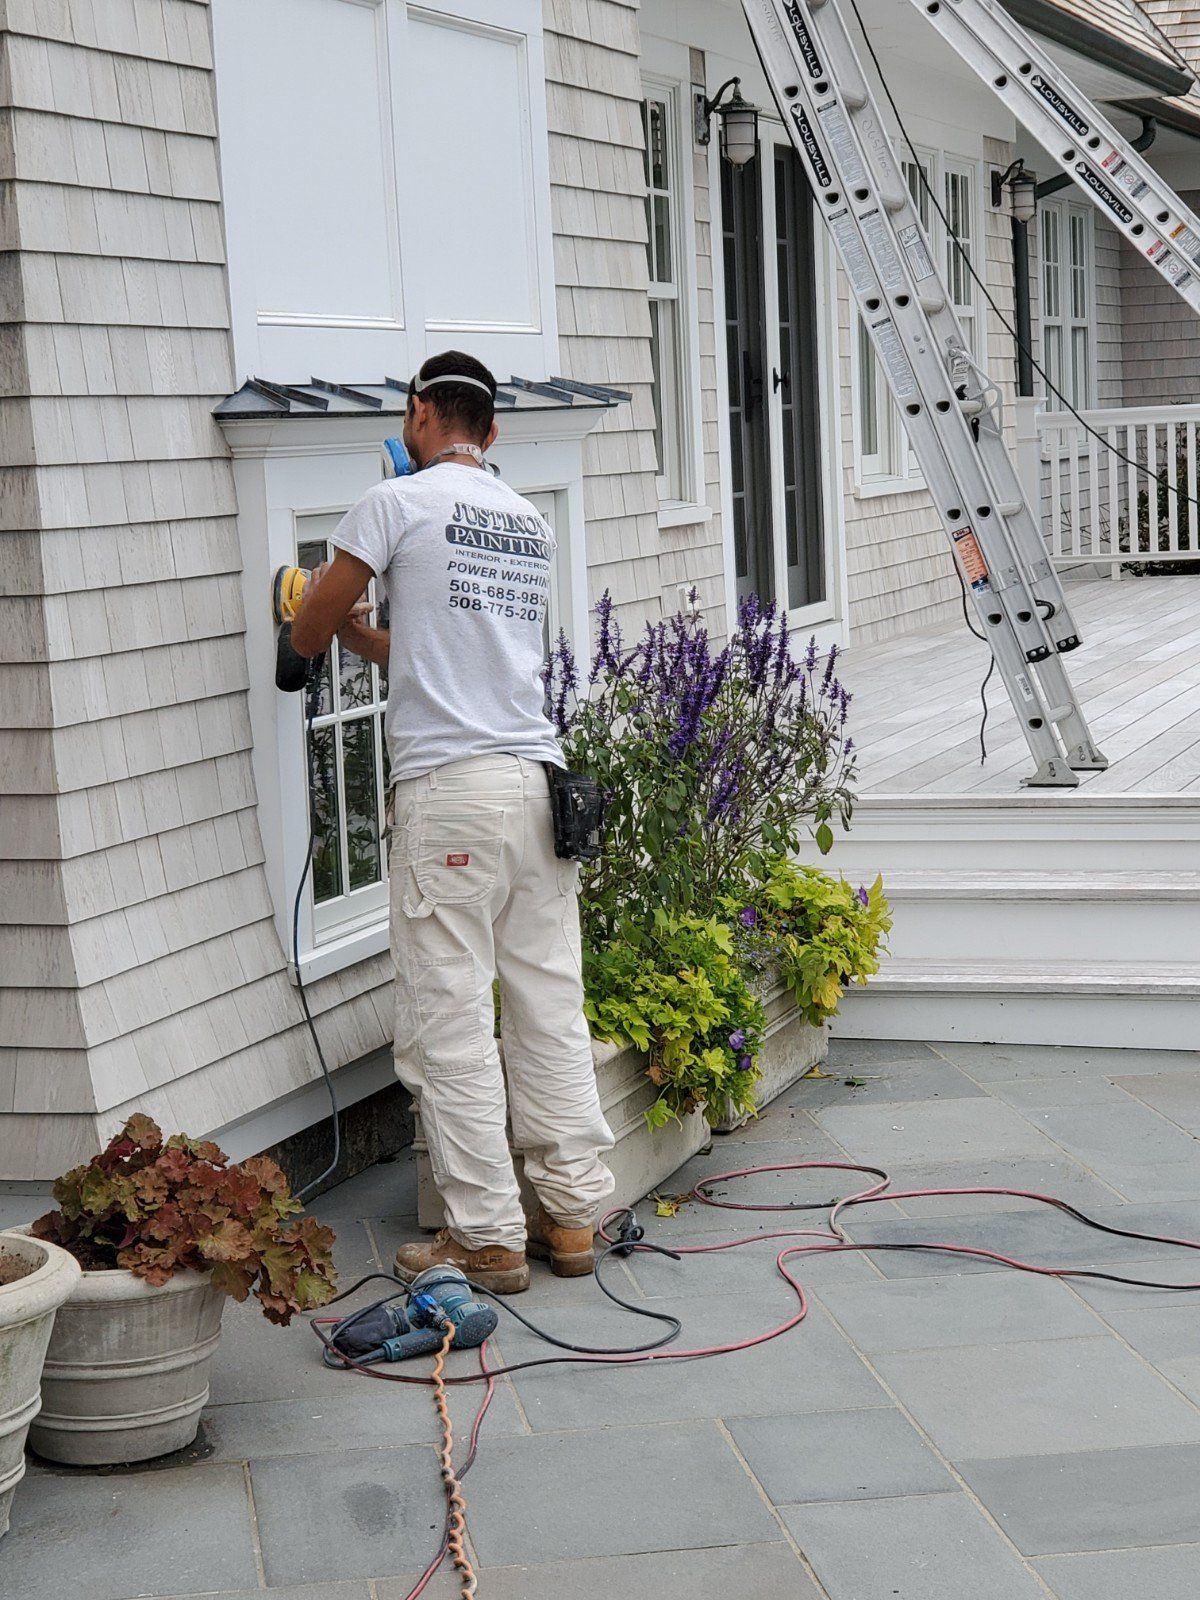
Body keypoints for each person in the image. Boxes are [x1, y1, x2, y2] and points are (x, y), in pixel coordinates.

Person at [290, 350, 615, 1292]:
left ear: (419, 414)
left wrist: (307, 637)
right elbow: (449, 648)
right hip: (538, 786)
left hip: (452, 796)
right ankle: (571, 1218)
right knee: (549, 1007)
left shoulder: (391, 502)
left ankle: (486, 1238)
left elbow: (313, 619)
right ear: (495, 432)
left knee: (453, 1019)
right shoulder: (524, 520)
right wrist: (368, 640)